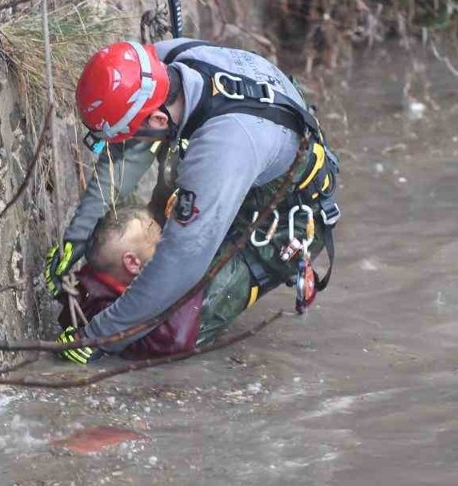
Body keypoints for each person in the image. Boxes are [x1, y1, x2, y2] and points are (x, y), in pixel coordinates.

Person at [47, 39, 341, 364]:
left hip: (281, 217)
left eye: (133, 134)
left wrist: (101, 337)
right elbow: (128, 152)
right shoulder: (163, 63)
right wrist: (79, 234)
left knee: (171, 331)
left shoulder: (221, 149)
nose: (130, 143)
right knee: (157, 230)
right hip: (253, 156)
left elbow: (181, 260)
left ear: (158, 120)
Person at [57, 205, 256, 360]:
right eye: (157, 237)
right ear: (133, 263)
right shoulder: (100, 307)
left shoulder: (93, 282)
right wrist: (186, 263)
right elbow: (177, 340)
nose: (165, 238)